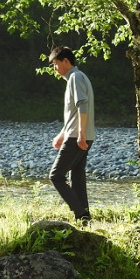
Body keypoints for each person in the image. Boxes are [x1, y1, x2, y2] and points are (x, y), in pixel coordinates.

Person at [48, 46, 95, 223]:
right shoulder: (78, 77)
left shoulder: (76, 77)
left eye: (56, 64)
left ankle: (80, 213)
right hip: (80, 134)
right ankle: (84, 218)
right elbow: (75, 112)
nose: (55, 69)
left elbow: (82, 105)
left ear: (66, 61)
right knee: (76, 176)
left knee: (56, 175)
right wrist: (62, 134)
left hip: (78, 136)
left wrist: (80, 133)